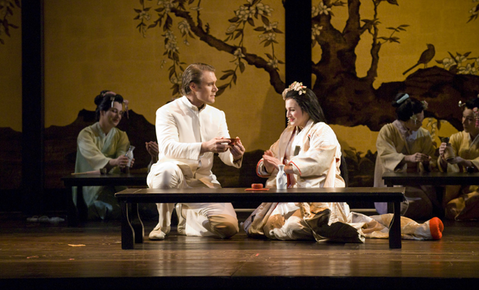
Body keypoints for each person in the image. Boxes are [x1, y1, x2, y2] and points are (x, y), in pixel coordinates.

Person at [244, 83, 444, 243]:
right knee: (271, 225)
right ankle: (334, 228)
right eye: (287, 110)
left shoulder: (322, 130)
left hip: (316, 195)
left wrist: (284, 166)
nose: (288, 115)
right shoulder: (288, 133)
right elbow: (272, 155)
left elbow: (319, 160)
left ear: (306, 108)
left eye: (293, 110)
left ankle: (417, 229)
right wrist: (268, 165)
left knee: (295, 226)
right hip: (289, 199)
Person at [147, 62, 245, 240]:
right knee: (167, 172)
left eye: (214, 83)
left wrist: (235, 156)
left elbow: (223, 153)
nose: (216, 88)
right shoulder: (167, 111)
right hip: (173, 176)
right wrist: (204, 146)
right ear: (193, 86)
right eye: (210, 84)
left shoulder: (218, 114)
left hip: (203, 182)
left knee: (228, 228)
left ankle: (186, 218)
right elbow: (168, 148)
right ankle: (163, 224)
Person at [374, 93, 441, 220]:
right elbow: (386, 156)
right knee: (402, 205)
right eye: (418, 121)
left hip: (416, 184)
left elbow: (431, 158)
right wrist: (408, 158)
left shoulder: (424, 134)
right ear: (408, 119)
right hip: (393, 185)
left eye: (422, 121)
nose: (421, 124)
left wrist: (426, 162)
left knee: (425, 204)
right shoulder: (388, 131)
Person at [74, 90, 134, 220]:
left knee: (132, 208)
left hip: (116, 186)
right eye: (113, 111)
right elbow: (95, 159)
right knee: (108, 209)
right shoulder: (86, 135)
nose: (118, 116)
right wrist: (115, 162)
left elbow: (121, 160)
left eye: (120, 113)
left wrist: (125, 162)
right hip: (92, 188)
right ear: (102, 112)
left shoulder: (121, 136)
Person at [438, 96, 479, 220]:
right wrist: (443, 157)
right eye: (463, 117)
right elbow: (450, 162)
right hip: (461, 191)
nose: (463, 122)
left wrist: (466, 162)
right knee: (452, 207)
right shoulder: (456, 137)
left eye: (470, 119)